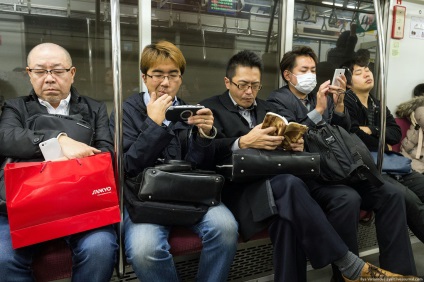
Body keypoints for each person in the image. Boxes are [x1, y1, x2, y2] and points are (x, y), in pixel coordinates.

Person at [200, 50, 413, 282]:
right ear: (227, 82)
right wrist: (241, 142)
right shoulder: (213, 109)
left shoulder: (264, 109)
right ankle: (349, 266)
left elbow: (337, 132)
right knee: (300, 187)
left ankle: (378, 271)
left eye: (255, 86)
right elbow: (204, 154)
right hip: (245, 188)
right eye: (243, 85)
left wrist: (295, 141)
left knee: (290, 217)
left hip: (286, 180)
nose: (249, 92)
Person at [266, 46, 417, 281]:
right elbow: (289, 138)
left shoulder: (322, 95)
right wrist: (317, 110)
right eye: (303, 70)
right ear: (288, 75)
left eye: (313, 70)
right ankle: (347, 275)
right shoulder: (278, 101)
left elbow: (342, 132)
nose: (310, 75)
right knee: (348, 199)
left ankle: (400, 272)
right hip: (312, 175)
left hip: (339, 168)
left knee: (391, 194)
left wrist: (337, 106)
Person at [109, 41, 239, 282]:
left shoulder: (189, 110)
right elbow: (127, 166)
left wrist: (205, 136)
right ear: (145, 77)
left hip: (188, 191)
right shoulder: (126, 111)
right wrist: (153, 125)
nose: (165, 83)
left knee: (227, 229)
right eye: (157, 75)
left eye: (173, 75)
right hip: (144, 197)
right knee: (144, 250)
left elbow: (199, 167)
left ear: (181, 78)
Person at [0, 43, 118, 281]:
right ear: (29, 74)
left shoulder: (94, 109)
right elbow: (6, 139)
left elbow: (105, 154)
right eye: (41, 71)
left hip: (81, 202)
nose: (49, 78)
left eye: (57, 71)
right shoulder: (16, 107)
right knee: (3, 257)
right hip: (28, 204)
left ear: (72, 73)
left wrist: (68, 160)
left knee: (101, 248)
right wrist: (59, 142)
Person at [343, 50, 424, 244]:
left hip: (391, 163)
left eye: (367, 70)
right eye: (359, 72)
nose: (366, 73)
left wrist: (370, 130)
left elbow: (395, 135)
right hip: (368, 168)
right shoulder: (346, 103)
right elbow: (353, 136)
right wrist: (380, 136)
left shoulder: (377, 104)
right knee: (410, 201)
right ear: (347, 82)